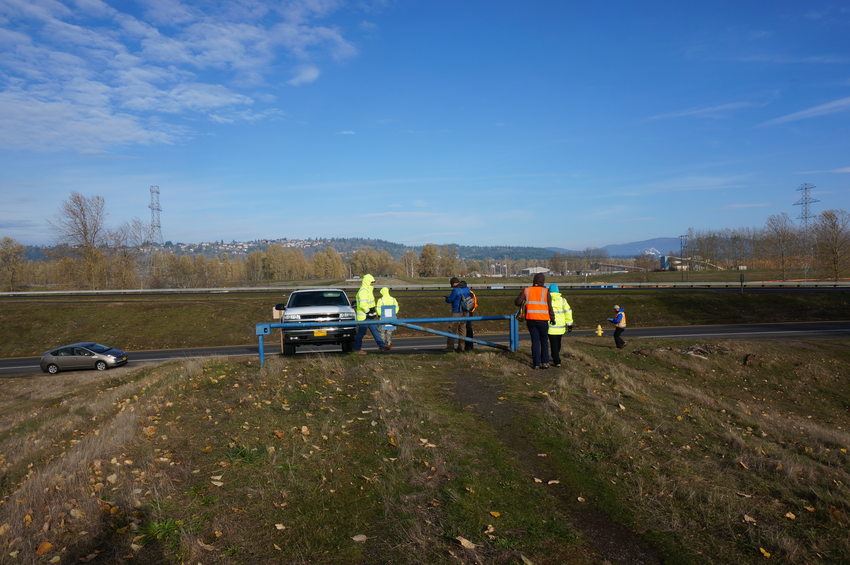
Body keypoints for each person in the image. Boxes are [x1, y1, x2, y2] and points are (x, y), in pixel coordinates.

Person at [514, 273, 555, 368]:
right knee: (544, 341)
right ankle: (545, 362)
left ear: (534, 280)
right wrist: (552, 318)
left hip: (531, 319)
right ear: (543, 281)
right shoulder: (546, 292)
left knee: (535, 341)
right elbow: (550, 307)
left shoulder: (527, 290)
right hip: (543, 320)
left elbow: (517, 302)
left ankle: (536, 363)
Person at [353, 274, 387, 354]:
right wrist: (369, 312)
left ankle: (382, 346)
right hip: (364, 316)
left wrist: (373, 311)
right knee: (361, 333)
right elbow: (363, 304)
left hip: (369, 315)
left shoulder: (368, 290)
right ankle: (357, 349)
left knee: (375, 331)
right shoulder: (363, 291)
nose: (372, 284)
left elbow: (370, 303)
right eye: (371, 282)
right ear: (367, 282)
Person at [547, 284, 573, 367]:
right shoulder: (563, 300)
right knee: (558, 343)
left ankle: (556, 360)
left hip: (550, 326)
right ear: (558, 291)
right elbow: (568, 312)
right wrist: (569, 324)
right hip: (560, 327)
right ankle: (556, 357)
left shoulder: (547, 300)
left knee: (553, 343)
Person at [445, 276, 472, 352]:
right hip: (465, 312)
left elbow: (450, 299)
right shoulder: (467, 288)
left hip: (457, 312)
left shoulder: (455, 290)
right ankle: (461, 347)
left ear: (453, 283)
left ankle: (450, 347)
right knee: (462, 329)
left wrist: (446, 299)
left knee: (452, 329)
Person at [459, 280, 477, 351]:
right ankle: (469, 346)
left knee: (463, 329)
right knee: (468, 328)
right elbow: (474, 303)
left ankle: (463, 346)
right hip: (469, 312)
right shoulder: (471, 292)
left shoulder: (460, 291)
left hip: (463, 312)